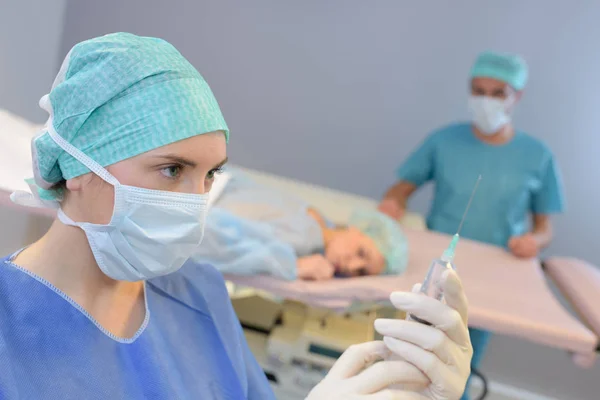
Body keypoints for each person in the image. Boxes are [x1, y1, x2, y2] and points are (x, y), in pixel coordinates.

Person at [1, 33, 472, 399]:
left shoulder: (200, 295)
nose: (195, 201)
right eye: (172, 170)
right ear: (80, 165)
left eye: (210, 176)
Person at [378, 51, 565, 400]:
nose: (486, 101)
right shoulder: (444, 141)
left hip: (492, 276)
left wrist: (533, 242)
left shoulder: (538, 156)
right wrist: (393, 203)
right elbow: (400, 189)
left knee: (455, 363)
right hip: (432, 264)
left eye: (498, 93)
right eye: (479, 91)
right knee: (403, 348)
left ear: (517, 97)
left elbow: (545, 228)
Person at [194, 168, 409, 280]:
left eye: (361, 273)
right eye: (362, 253)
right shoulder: (308, 238)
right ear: (358, 229)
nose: (351, 266)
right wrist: (292, 267)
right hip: (192, 197)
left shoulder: (317, 219)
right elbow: (209, 237)